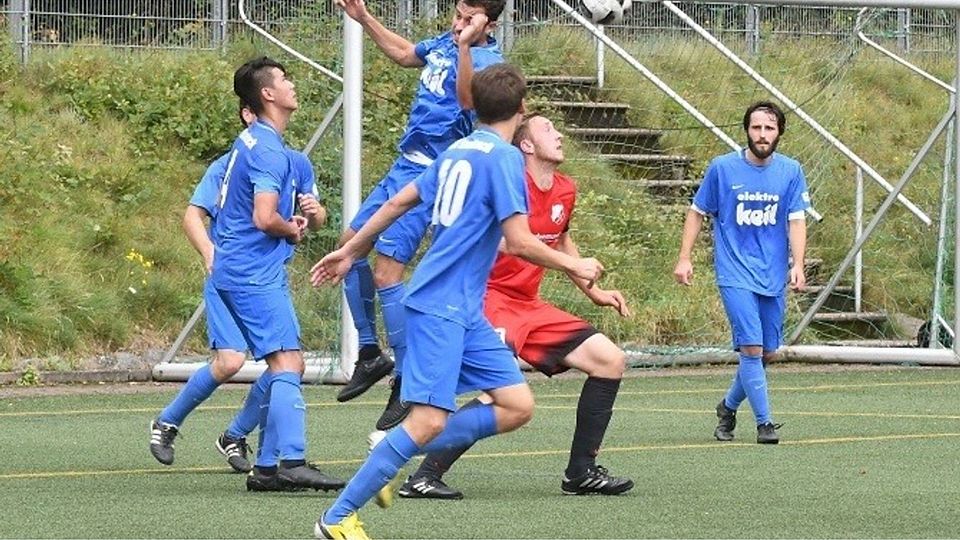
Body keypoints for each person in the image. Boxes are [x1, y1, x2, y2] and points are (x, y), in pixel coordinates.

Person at [310, 63, 604, 540]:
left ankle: (393, 453)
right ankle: (336, 519)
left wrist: (351, 248)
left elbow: (397, 202)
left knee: (515, 405)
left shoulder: (455, 151)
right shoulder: (504, 159)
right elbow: (519, 240)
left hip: (464, 310)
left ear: (474, 106)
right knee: (428, 420)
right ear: (522, 108)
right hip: (438, 306)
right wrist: (575, 265)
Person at [396, 113, 635, 500]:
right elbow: (510, 241)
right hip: (486, 298)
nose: (559, 135)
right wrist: (574, 265)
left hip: (528, 305)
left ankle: (581, 471)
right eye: (547, 130)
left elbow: (560, 242)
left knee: (609, 359)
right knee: (500, 391)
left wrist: (594, 292)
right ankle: (424, 475)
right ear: (526, 144)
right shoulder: (507, 179)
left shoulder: (565, 190)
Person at [332, 0, 507, 436]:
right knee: (348, 244)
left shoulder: (488, 61)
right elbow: (406, 54)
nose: (458, 24)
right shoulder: (445, 42)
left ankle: (406, 378)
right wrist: (365, 18)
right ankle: (371, 352)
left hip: (433, 170)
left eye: (469, 19)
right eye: (456, 14)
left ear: (489, 23)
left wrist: (467, 46)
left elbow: (469, 101)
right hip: (403, 164)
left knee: (388, 272)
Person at [149, 104, 330, 486]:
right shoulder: (233, 162)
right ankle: (168, 421)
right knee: (232, 361)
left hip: (267, 276)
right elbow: (192, 215)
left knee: (286, 364)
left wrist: (314, 213)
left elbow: (316, 220)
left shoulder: (294, 162)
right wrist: (210, 254)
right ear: (249, 114)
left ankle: (235, 437)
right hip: (236, 276)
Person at [210, 56, 345, 491]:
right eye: (284, 80)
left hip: (243, 268)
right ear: (267, 94)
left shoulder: (254, 144)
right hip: (251, 271)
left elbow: (309, 214)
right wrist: (292, 229)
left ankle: (267, 469)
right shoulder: (268, 150)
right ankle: (291, 460)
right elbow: (265, 217)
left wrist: (310, 217)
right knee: (287, 362)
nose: (292, 85)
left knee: (286, 362)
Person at [673, 101, 809, 445]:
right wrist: (684, 257)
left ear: (779, 132)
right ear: (746, 130)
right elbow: (697, 211)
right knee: (750, 348)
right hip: (734, 272)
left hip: (772, 273)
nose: (762, 135)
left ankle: (728, 407)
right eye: (756, 127)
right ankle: (764, 423)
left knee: (766, 352)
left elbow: (796, 219)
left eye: (769, 128)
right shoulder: (723, 168)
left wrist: (797, 264)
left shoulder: (791, 171)